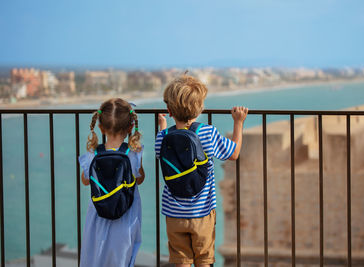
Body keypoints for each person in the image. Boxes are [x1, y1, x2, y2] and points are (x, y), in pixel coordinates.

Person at [155, 74, 248, 267]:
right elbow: (234, 153)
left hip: (173, 214)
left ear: (169, 111)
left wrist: (162, 127)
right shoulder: (207, 133)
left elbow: (160, 151)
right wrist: (238, 122)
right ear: (199, 109)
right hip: (202, 214)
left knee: (180, 260)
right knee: (204, 260)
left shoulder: (163, 138)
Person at [79, 98, 145, 267]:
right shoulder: (133, 153)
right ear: (131, 127)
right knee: (122, 257)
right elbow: (140, 179)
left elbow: (85, 181)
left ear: (100, 127)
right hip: (126, 216)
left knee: (96, 254)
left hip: (98, 216)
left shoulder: (93, 153)